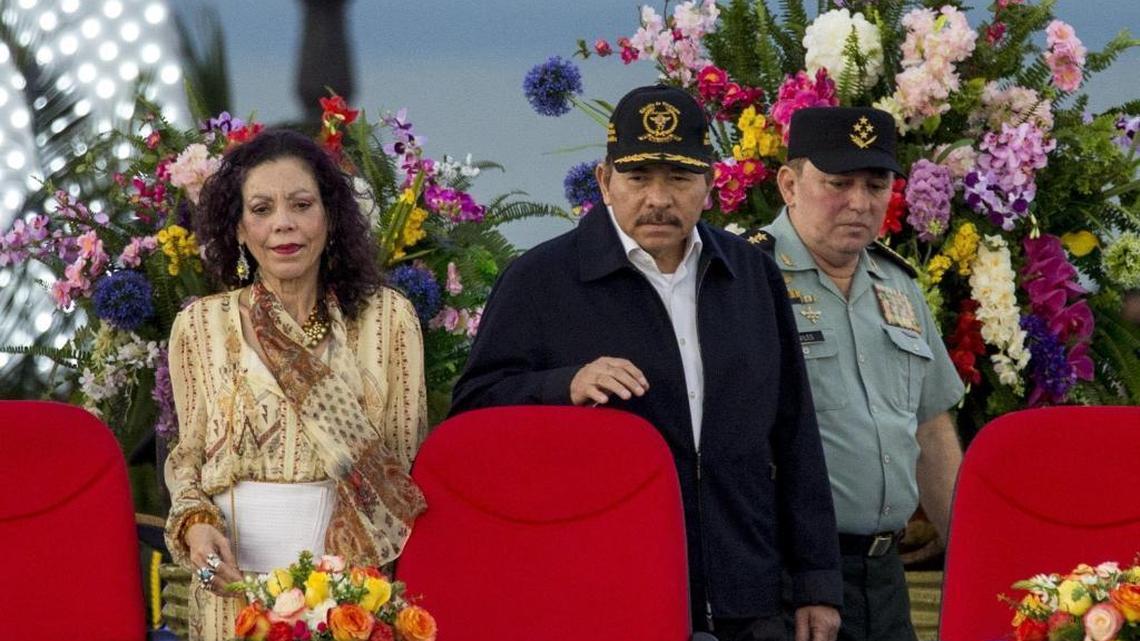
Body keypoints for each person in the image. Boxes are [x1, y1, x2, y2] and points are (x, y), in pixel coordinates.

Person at [451, 85, 842, 641]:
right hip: (606, 591)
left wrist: (816, 582)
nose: (658, 198)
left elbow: (795, 429)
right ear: (604, 181)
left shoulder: (751, 275)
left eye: (679, 178)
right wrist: (565, 385)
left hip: (749, 594)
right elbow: (472, 414)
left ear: (710, 183)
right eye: (638, 178)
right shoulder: (541, 280)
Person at [163, 129, 428, 641]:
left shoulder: (388, 320)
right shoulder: (200, 326)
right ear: (239, 230)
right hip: (232, 595)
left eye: (301, 205)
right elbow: (187, 457)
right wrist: (195, 526)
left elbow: (401, 473)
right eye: (261, 209)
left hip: (347, 597)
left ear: (330, 217)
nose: (283, 223)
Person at [748, 107, 965, 641]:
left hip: (885, 575)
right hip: (787, 579)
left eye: (876, 185)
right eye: (839, 183)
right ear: (789, 185)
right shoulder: (747, 277)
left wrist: (972, 557)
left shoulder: (898, 284)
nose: (860, 203)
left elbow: (930, 430)